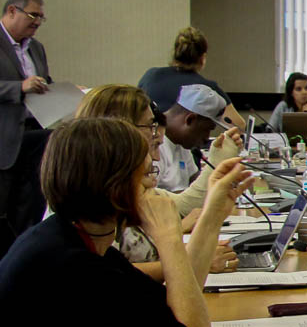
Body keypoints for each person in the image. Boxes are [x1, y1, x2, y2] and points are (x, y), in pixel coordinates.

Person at [0, 118, 240, 327]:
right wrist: (168, 238)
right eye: (147, 174)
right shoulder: (74, 267)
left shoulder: (70, 237)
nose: (154, 187)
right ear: (116, 186)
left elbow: (177, 304)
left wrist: (212, 216)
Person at [74, 84, 241, 275]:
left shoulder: (125, 185)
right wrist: (192, 261)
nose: (157, 137)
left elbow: (183, 205)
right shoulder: (93, 196)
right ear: (118, 128)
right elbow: (105, 276)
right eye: (150, 126)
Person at [0, 0, 52, 254]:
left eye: (41, 17)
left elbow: (44, 83)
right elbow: (24, 86)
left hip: (35, 136)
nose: (37, 22)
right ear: (12, 11)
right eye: (33, 15)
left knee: (29, 210)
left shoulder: (36, 48)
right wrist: (19, 87)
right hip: (5, 139)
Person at [138, 26, 245, 131]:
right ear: (203, 58)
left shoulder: (151, 75)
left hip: (149, 139)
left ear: (175, 53)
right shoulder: (205, 88)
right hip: (182, 142)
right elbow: (239, 126)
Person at [157, 84, 241, 194]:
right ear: (190, 120)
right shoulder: (152, 143)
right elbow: (151, 200)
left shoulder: (181, 141)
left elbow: (195, 181)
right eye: (206, 129)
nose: (207, 138)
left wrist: (222, 170)